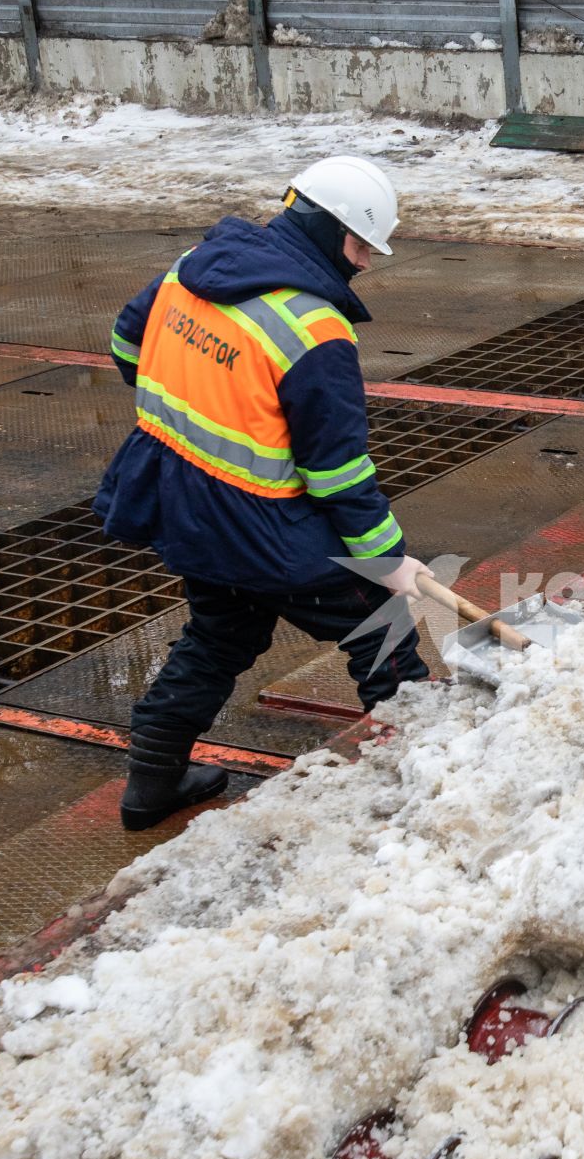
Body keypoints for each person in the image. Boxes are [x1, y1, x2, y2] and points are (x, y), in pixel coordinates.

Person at [95, 156, 428, 831]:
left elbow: (127, 344)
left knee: (219, 637)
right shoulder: (314, 329)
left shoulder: (195, 265)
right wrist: (389, 562)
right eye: (364, 247)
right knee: (382, 627)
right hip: (265, 528)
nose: (365, 264)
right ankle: (428, 777)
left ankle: (151, 786)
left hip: (184, 506)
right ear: (332, 232)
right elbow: (336, 472)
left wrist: (200, 401)